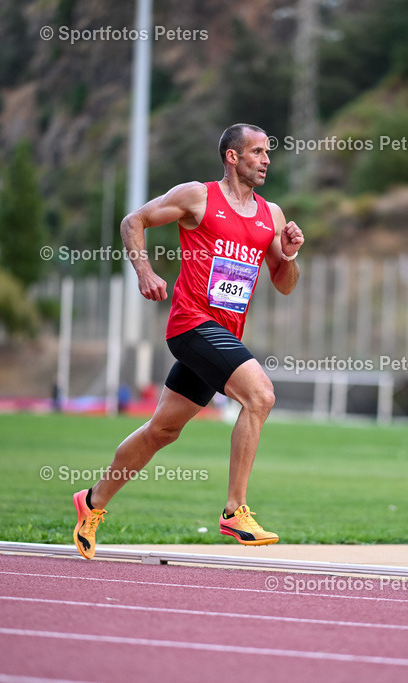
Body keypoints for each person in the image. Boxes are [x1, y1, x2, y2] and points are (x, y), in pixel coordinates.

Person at [72, 123, 304, 558]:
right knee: (260, 396)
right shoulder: (198, 197)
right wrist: (144, 271)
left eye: (269, 152)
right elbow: (133, 221)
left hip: (223, 335)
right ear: (232, 157)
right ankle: (235, 512)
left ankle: (91, 502)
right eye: (257, 152)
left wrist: (289, 254)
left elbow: (285, 283)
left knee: (162, 429)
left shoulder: (270, 215)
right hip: (191, 325)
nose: (267, 160)